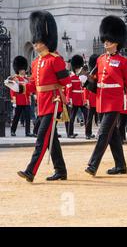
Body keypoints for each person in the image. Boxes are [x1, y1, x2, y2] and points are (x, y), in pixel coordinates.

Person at [4, 11, 71, 182]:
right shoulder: (36, 62)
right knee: (51, 138)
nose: (35, 44)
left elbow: (65, 81)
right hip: (41, 104)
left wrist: (59, 93)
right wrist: (17, 86)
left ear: (45, 41)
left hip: (53, 103)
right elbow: (33, 85)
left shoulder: (55, 60)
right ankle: (61, 170)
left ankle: (30, 170)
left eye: (38, 41)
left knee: (42, 138)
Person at [84, 15, 127, 176]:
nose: (106, 42)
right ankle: (121, 165)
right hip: (101, 100)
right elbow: (96, 78)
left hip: (114, 101)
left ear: (116, 42)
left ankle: (93, 165)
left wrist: (126, 95)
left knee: (103, 133)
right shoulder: (100, 59)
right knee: (112, 135)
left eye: (109, 40)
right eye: (105, 40)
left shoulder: (124, 61)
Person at [65, 54, 88, 138]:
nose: (79, 69)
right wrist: (69, 100)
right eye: (78, 68)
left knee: (86, 117)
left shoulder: (83, 76)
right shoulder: (71, 77)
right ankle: (70, 133)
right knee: (71, 118)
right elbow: (69, 89)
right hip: (74, 99)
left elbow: (86, 88)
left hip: (82, 99)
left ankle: (88, 133)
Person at [10, 56, 33, 137]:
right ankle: (13, 130)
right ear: (18, 70)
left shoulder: (27, 79)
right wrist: (14, 101)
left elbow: (29, 89)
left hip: (26, 101)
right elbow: (13, 90)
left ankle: (28, 132)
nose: (23, 71)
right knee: (16, 117)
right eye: (21, 70)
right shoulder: (15, 79)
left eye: (23, 69)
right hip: (18, 100)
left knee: (27, 117)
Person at [84, 54, 99, 139]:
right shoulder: (91, 74)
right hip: (93, 99)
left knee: (99, 119)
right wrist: (86, 100)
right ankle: (88, 133)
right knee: (89, 118)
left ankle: (97, 133)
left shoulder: (96, 73)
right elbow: (86, 88)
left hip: (97, 99)